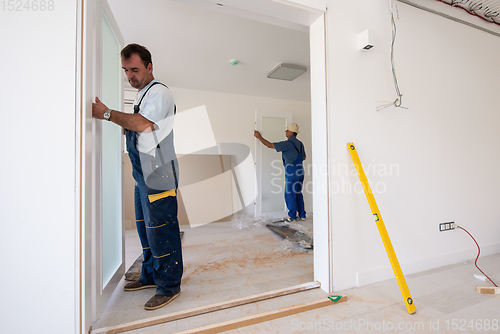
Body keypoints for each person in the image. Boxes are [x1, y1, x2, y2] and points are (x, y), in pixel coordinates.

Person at [92, 43, 183, 311]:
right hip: (143, 173)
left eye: (135, 69)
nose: (130, 75)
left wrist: (107, 114)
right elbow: (143, 129)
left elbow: (144, 124)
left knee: (161, 230)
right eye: (126, 70)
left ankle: (169, 285)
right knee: (145, 228)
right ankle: (150, 275)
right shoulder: (143, 95)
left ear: (149, 67)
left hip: (159, 174)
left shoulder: (159, 93)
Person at [254, 123, 306, 222]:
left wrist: (259, 137)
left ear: (291, 132)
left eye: (287, 130)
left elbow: (269, 145)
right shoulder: (300, 143)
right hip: (300, 170)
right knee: (298, 192)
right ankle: (302, 215)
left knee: (290, 193)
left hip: (292, 171)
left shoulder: (287, 144)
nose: (285, 131)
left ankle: (292, 216)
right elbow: (304, 157)